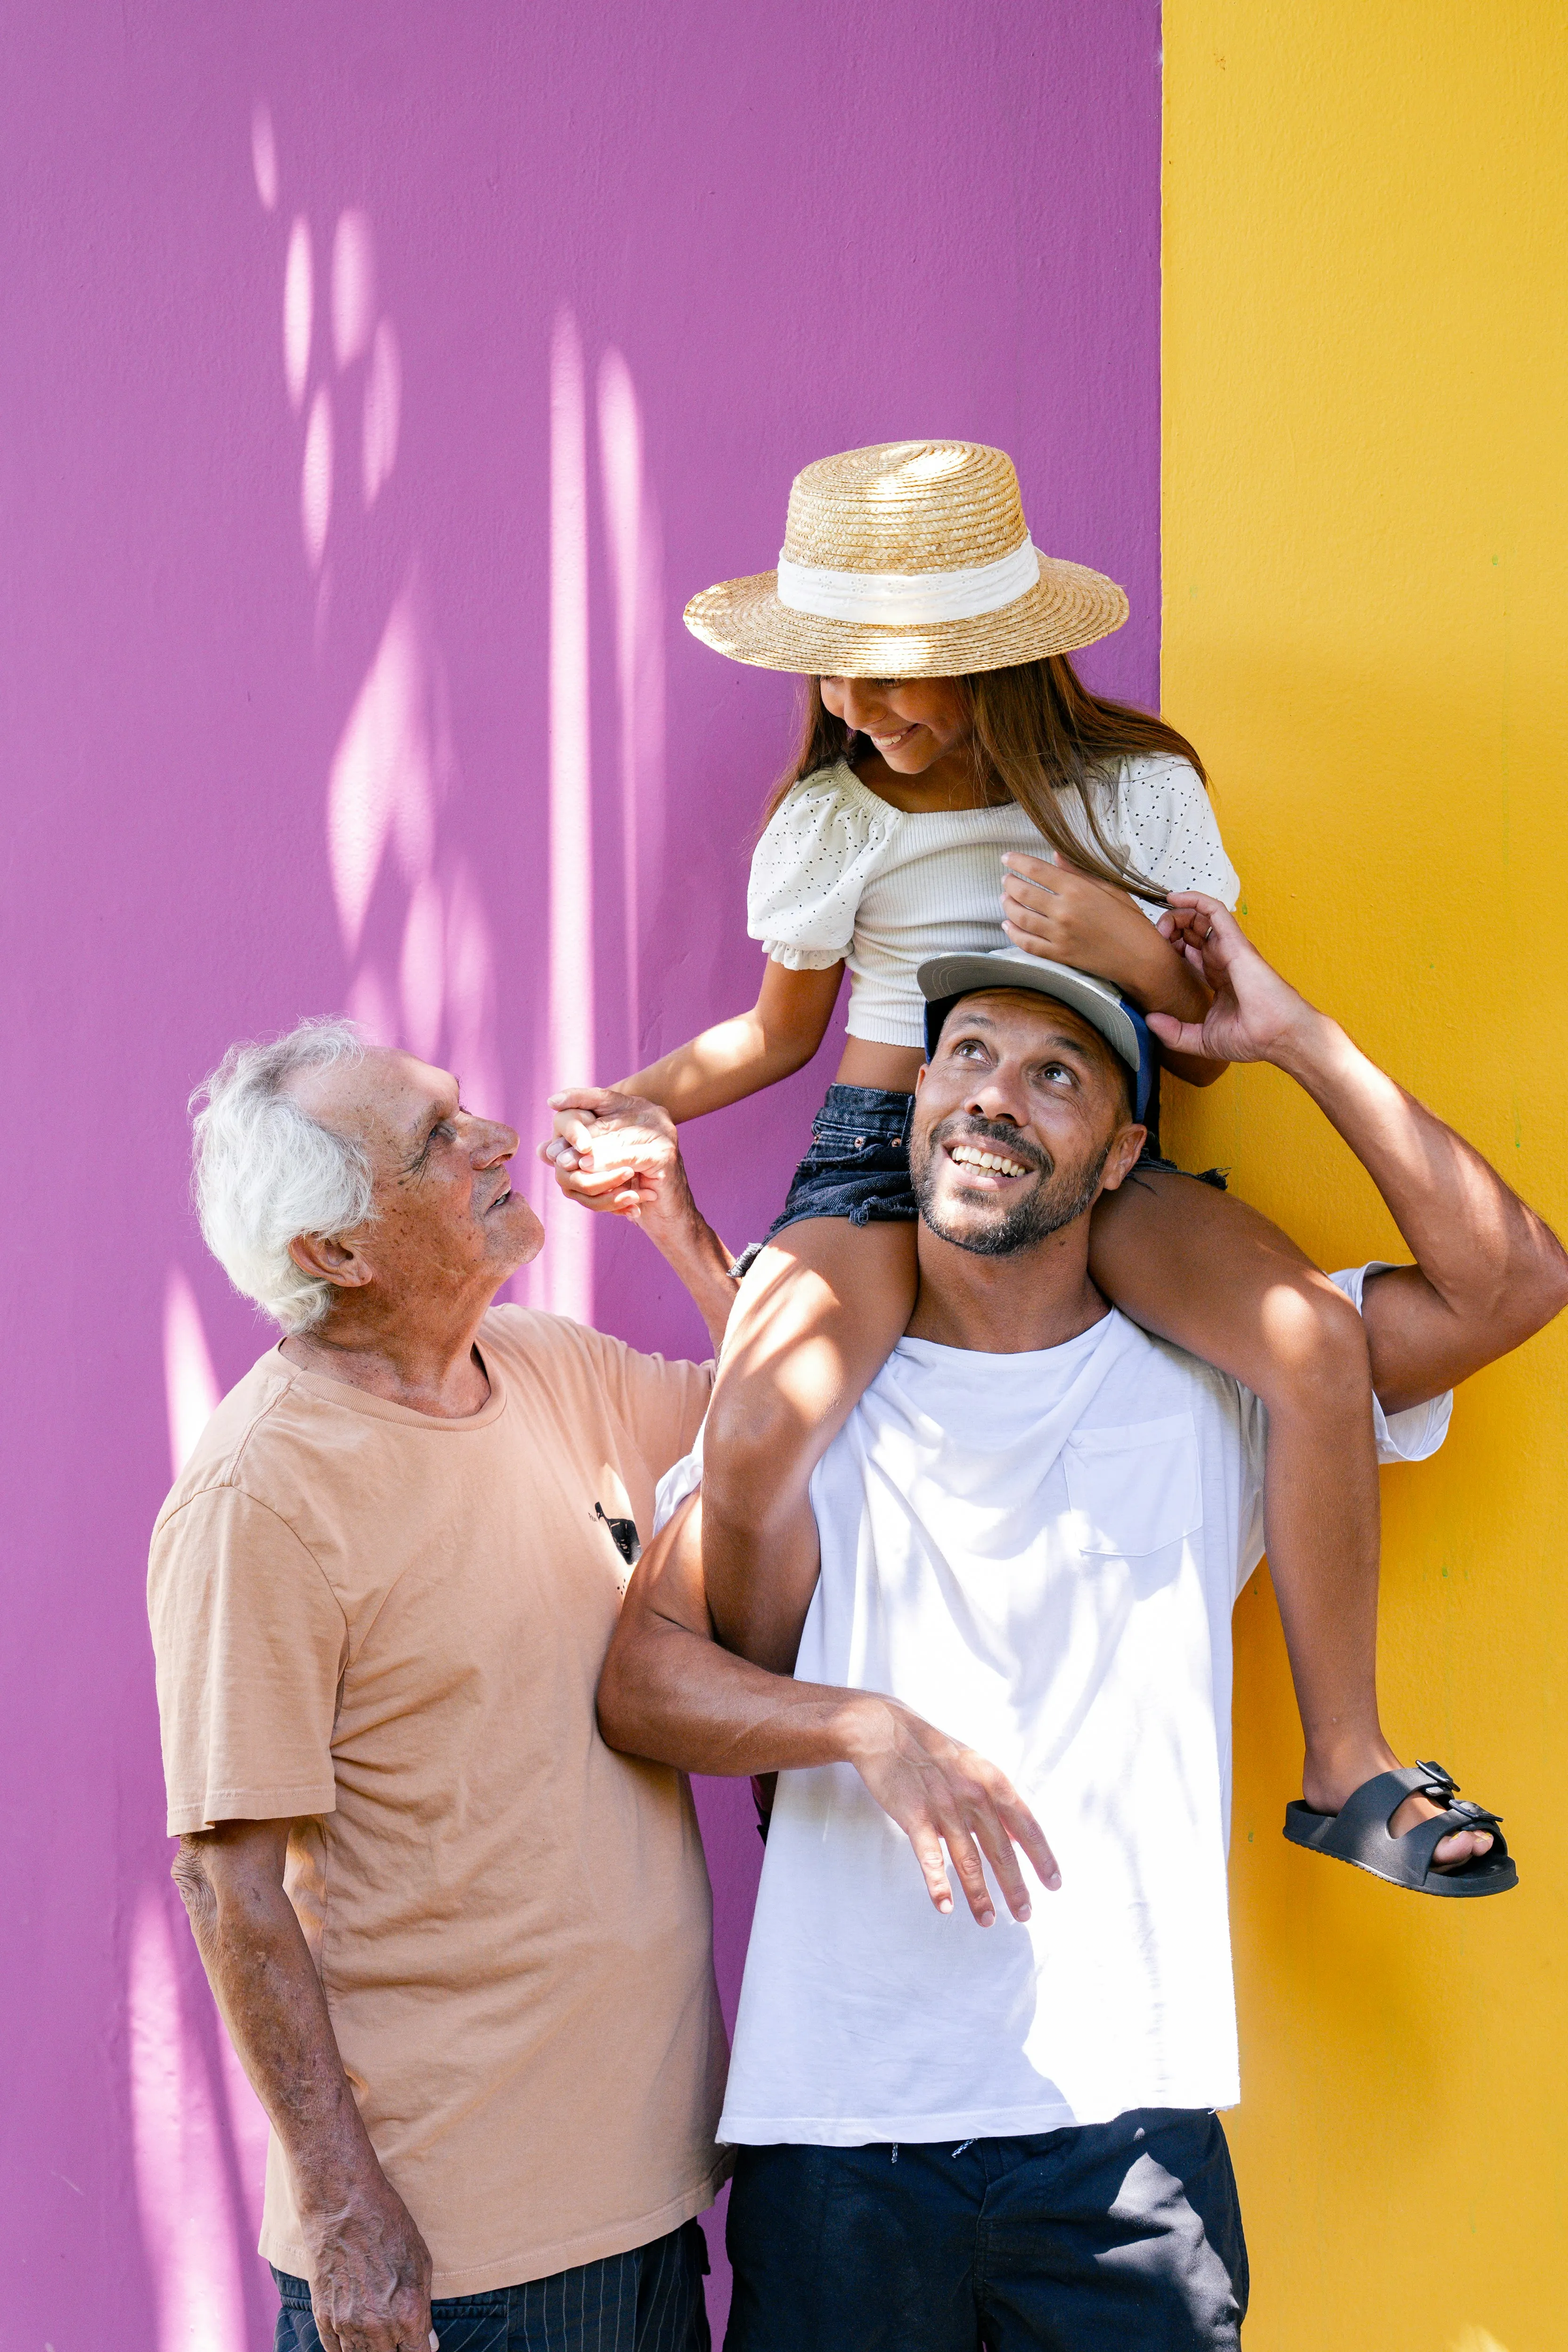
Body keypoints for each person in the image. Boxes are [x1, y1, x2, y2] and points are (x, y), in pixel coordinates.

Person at [595, 899, 1567, 2351]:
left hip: (1128, 2149)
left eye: (1056, 1073)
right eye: (967, 1053)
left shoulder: (1217, 1389)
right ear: (917, 1105)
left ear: (1122, 1157)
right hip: (840, 2138)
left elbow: (1513, 1281)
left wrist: (1300, 1040)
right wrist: (861, 1727)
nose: (993, 1092)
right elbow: (641, 1683)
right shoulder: (812, 1404)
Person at [546, 437, 1488, 1879]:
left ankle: (1349, 1762)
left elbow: (1197, 1044)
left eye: (893, 676)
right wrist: (632, 1095)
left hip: (1086, 1154)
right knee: (750, 1436)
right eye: (834, 677)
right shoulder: (832, 821)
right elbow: (777, 1034)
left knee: (1312, 1348)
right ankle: (789, 1755)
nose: (858, 712)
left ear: (995, 655)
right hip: (878, 1158)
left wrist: (1124, 947)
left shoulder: (1133, 794)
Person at [147, 1021, 741, 2352]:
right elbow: (229, 1885)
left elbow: (774, 1424)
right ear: (339, 1254)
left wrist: (677, 1225)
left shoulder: (539, 1363)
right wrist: (344, 2206)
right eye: (436, 1141)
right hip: (457, 2255)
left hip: (646, 2200)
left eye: (464, 1110)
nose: (496, 1140)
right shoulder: (259, 1498)